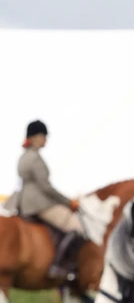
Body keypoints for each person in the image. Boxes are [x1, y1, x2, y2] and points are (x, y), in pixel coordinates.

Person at [17, 119, 85, 283]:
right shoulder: (36, 158)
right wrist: (68, 202)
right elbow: (46, 187)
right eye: (43, 136)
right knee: (77, 227)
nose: (45, 140)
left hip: (23, 202)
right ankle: (58, 265)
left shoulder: (23, 157)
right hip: (39, 203)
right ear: (35, 137)